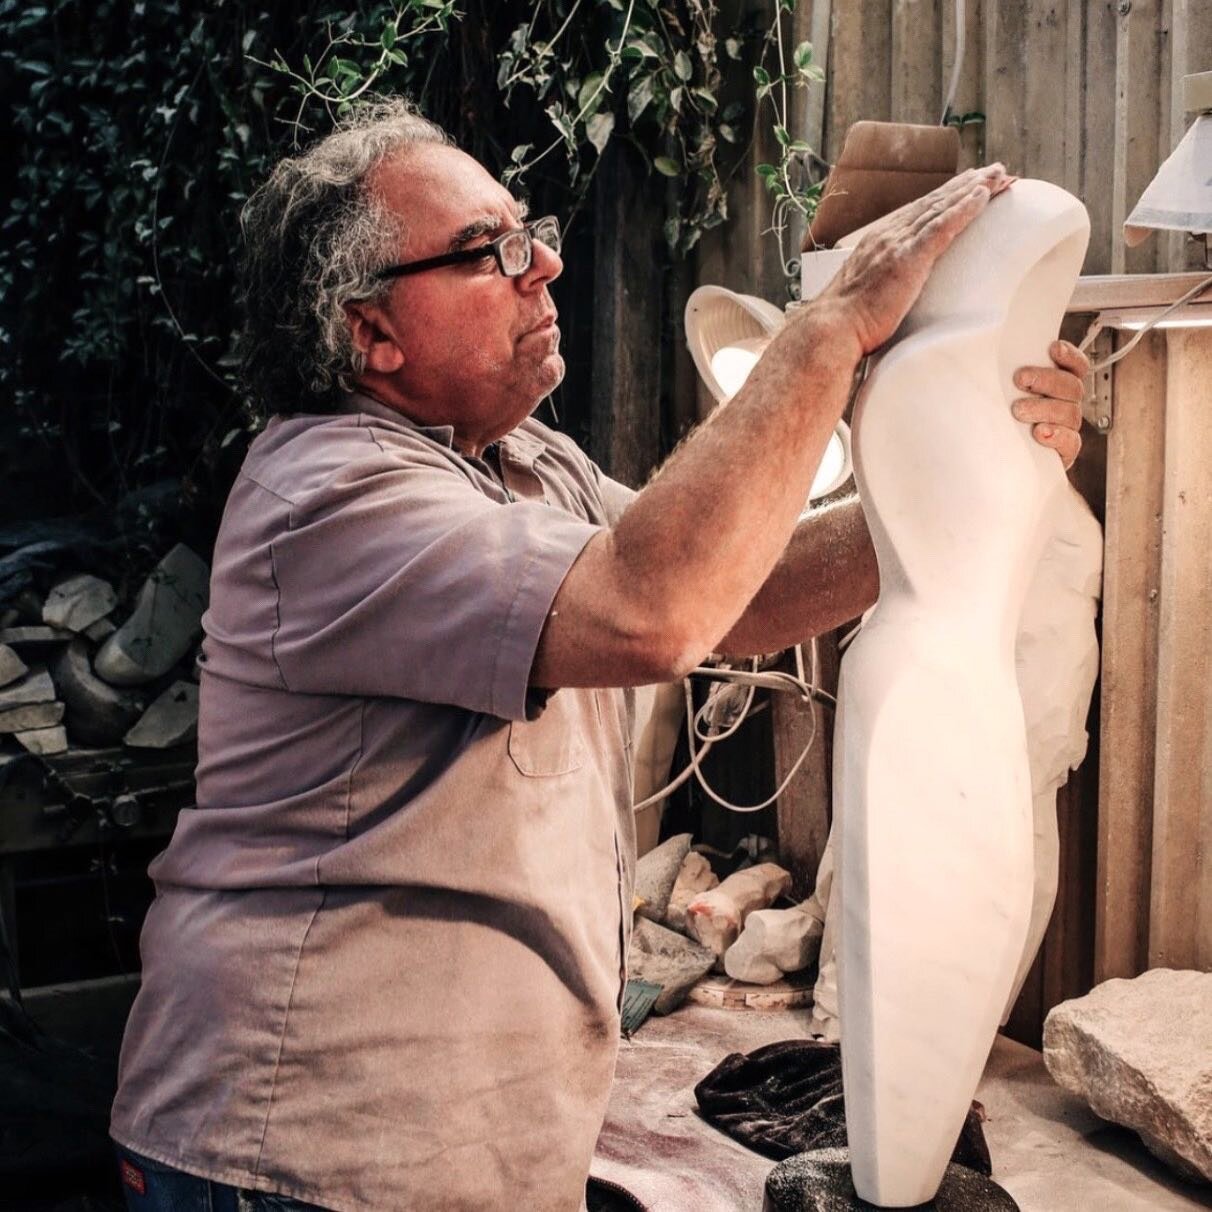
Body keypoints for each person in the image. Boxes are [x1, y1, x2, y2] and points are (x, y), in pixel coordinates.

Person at [109, 98, 1088, 1212]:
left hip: (466, 1146)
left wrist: (974, 475)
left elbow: (741, 593)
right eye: (491, 252)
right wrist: (826, 334)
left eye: (531, 232)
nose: (545, 265)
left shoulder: (524, 458)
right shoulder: (330, 496)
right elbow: (653, 607)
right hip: (304, 1151)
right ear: (368, 333)